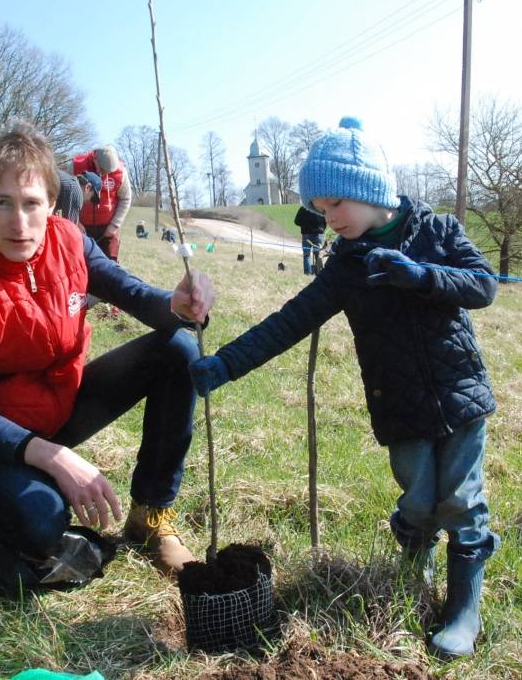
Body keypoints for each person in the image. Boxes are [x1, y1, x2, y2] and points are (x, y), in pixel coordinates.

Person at [188, 117, 499, 660]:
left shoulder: (438, 231)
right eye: (322, 210)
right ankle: (416, 558)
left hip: (460, 395)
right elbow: (289, 322)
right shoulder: (346, 265)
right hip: (399, 406)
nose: (327, 219)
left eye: (335, 206)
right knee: (420, 500)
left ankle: (462, 609)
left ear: (369, 193)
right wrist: (226, 365)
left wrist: (420, 275)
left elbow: (483, 285)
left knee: (462, 501)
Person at [0, 123, 215, 592]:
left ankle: (150, 517)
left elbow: (128, 290)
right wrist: (55, 458)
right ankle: (6, 528)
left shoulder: (69, 240)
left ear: (51, 204)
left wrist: (177, 304)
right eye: (1, 203)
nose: (19, 222)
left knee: (179, 346)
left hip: (61, 404)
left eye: (32, 203)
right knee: (42, 523)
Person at [72, 146, 132, 262]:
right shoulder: (76, 166)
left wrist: (115, 224)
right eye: (102, 169)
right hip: (82, 226)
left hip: (108, 228)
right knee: (81, 262)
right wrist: (76, 221)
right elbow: (66, 194)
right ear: (95, 159)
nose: (104, 174)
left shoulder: (121, 172)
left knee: (110, 263)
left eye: (108, 172)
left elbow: (126, 198)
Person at [294, 205, 326, 275]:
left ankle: (307, 273)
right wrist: (322, 228)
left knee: (306, 255)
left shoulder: (303, 208)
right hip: (319, 234)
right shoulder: (319, 207)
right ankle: (320, 274)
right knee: (319, 255)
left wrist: (304, 225)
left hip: (306, 234)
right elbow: (325, 219)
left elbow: (296, 221)